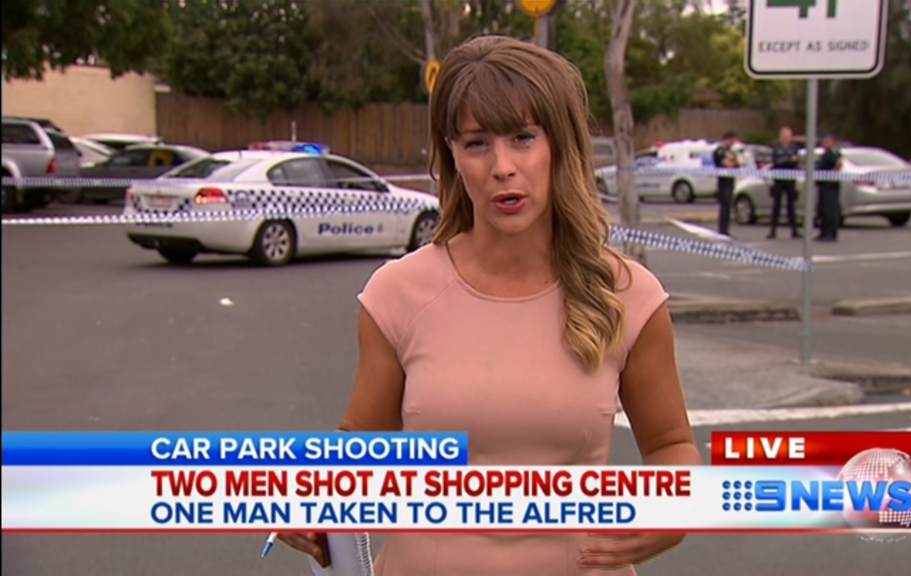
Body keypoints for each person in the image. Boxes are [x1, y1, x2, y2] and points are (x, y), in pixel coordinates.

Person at [278, 35, 701, 575]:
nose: (502, 166)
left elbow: (671, 445)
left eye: (523, 137)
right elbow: (359, 449)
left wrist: (672, 511)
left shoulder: (627, 296)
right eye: (477, 143)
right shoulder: (398, 294)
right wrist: (310, 504)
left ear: (560, 145)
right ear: (452, 155)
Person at [767, 126, 801, 239]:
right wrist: (789, 160)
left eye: (789, 136)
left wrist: (789, 161)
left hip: (790, 178)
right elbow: (777, 162)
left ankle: (794, 230)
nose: (787, 138)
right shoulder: (777, 148)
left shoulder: (794, 148)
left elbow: (796, 161)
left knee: (791, 205)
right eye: (785, 136)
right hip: (779, 179)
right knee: (776, 205)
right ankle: (773, 230)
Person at [815, 133, 844, 242]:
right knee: (823, 209)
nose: (823, 144)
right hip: (823, 184)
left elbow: (839, 163)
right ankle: (823, 232)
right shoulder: (827, 153)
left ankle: (830, 233)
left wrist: (833, 173)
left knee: (830, 209)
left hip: (830, 185)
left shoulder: (833, 152)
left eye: (826, 141)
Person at [712, 131, 740, 237]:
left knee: (728, 206)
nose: (732, 143)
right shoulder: (719, 151)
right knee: (724, 206)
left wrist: (733, 162)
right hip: (723, 181)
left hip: (730, 180)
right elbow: (725, 164)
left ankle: (726, 229)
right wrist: (730, 162)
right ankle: (722, 230)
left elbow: (736, 164)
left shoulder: (731, 151)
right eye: (731, 140)